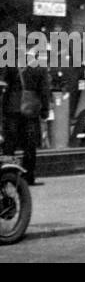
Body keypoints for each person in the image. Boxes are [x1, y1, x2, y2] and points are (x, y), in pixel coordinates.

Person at [0, 51, 51, 185]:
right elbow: (44, 90)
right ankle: (28, 177)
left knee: (9, 144)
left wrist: (4, 108)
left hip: (11, 109)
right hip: (30, 110)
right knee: (30, 144)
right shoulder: (39, 66)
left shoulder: (10, 64)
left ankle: (7, 177)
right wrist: (45, 111)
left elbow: (3, 86)